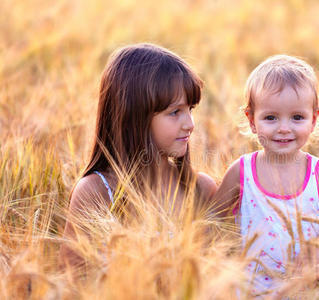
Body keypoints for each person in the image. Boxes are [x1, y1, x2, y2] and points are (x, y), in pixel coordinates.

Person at [60, 43, 217, 274]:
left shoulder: (200, 189)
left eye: (190, 110)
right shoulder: (97, 193)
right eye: (175, 112)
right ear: (135, 116)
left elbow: (218, 271)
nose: (190, 125)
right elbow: (71, 281)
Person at [213, 55, 319, 296]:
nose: (284, 128)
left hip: (306, 291)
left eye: (297, 117)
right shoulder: (241, 172)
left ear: (314, 119)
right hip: (250, 292)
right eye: (271, 118)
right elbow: (210, 223)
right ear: (252, 120)